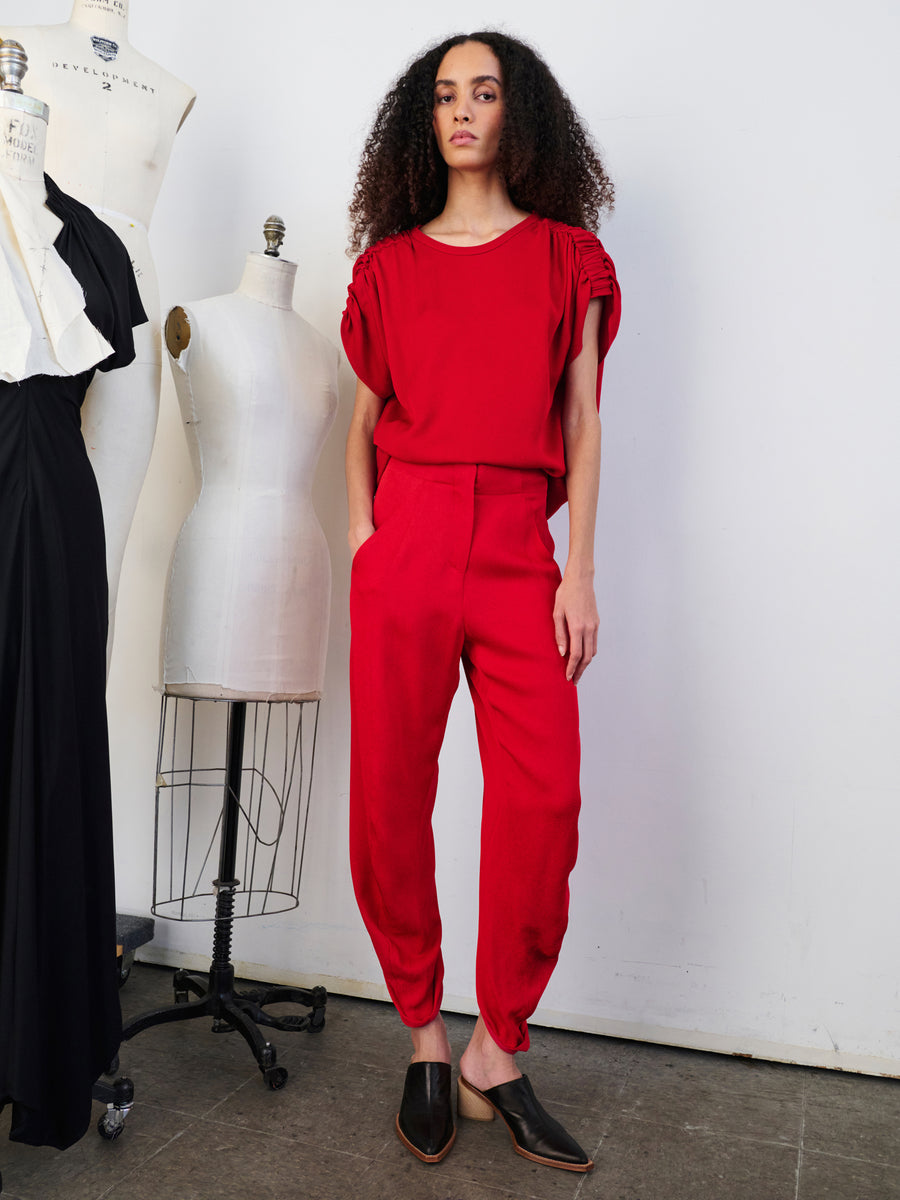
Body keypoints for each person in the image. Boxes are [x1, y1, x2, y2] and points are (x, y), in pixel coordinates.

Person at [341, 30, 621, 1172]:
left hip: (520, 547)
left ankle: (494, 1048)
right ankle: (421, 1031)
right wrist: (367, 545)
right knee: (388, 799)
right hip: (405, 541)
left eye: (486, 92)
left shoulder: (569, 259)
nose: (465, 111)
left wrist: (582, 569)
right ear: (424, 120)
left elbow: (585, 424)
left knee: (543, 799)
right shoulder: (389, 268)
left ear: (523, 114)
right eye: (447, 95)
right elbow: (358, 431)